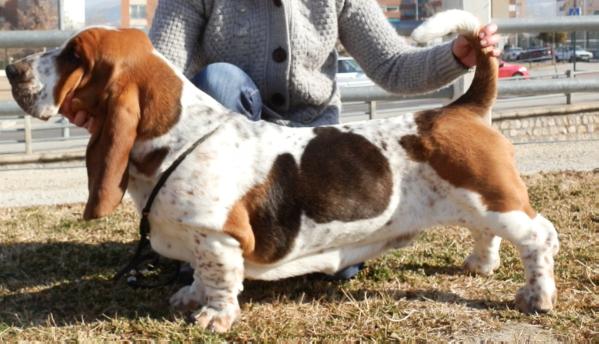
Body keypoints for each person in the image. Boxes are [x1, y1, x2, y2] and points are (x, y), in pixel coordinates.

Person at [62, 0, 500, 280]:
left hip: (314, 151)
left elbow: (392, 65)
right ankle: (209, 235)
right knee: (220, 79)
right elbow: (159, 70)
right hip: (238, 142)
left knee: (340, 274)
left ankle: (269, 241)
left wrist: (456, 57)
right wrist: (104, 106)